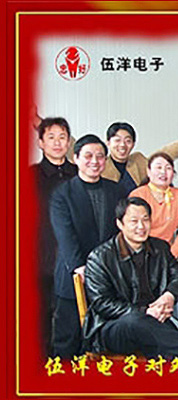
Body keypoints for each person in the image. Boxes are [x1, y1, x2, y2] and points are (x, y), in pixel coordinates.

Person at [82, 197, 178, 358]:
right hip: (113, 325)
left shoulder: (160, 248)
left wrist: (169, 296)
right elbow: (101, 303)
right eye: (134, 221)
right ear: (120, 224)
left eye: (145, 220)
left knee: (161, 337)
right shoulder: (99, 257)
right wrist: (145, 312)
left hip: (152, 321)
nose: (141, 226)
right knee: (137, 323)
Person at [49, 135, 126, 357]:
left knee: (101, 341)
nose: (95, 161)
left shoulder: (117, 191)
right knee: (68, 340)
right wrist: (81, 267)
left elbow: (121, 232)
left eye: (100, 156)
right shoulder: (62, 194)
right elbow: (65, 237)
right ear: (76, 158)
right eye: (88, 156)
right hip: (74, 277)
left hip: (108, 277)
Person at [32, 117, 77, 355]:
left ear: (69, 142)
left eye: (62, 137)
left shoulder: (80, 174)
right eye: (51, 137)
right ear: (40, 142)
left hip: (75, 260)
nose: (57, 143)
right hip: (40, 257)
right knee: (40, 320)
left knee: (72, 320)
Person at [103, 114, 178, 194]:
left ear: (133, 144)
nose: (122, 145)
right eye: (117, 140)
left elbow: (168, 152)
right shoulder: (101, 166)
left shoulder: (138, 161)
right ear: (108, 143)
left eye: (128, 141)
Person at [129, 153, 178, 258]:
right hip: (140, 253)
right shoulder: (138, 195)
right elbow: (133, 229)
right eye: (158, 167)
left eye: (168, 168)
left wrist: (171, 256)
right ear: (148, 172)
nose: (163, 172)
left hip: (167, 253)